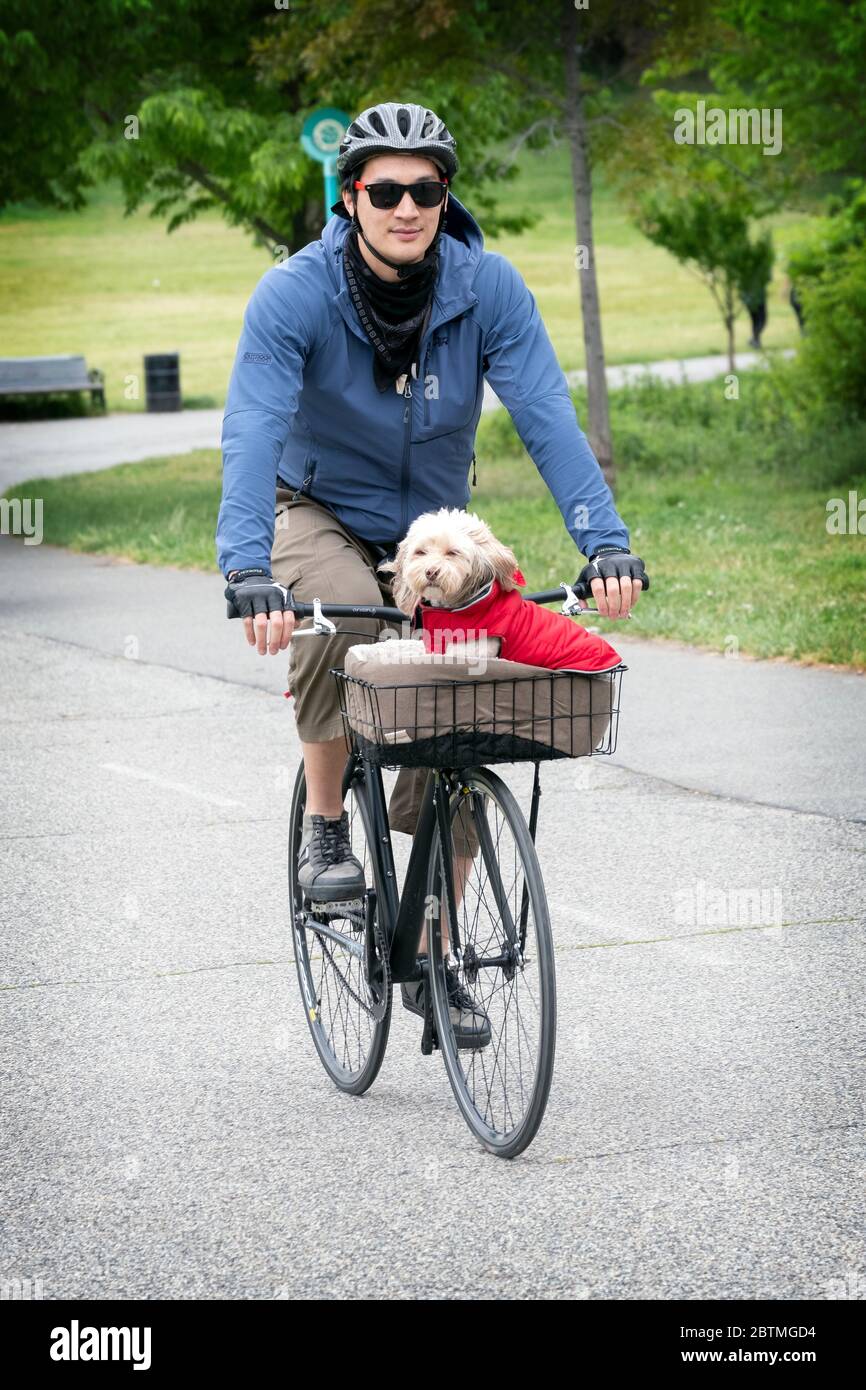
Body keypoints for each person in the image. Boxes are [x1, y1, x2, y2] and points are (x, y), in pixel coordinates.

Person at [216, 101, 647, 1045]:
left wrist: (604, 542)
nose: (405, 207)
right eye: (384, 191)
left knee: (463, 714)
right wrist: (247, 565)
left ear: (445, 196)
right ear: (350, 196)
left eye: (424, 189)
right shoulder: (293, 294)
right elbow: (251, 426)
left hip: (427, 533)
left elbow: (545, 414)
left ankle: (434, 950)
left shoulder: (488, 289)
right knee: (351, 619)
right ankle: (327, 823)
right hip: (316, 508)